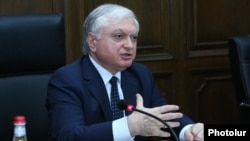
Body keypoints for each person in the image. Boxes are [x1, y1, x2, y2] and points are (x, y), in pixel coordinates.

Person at [46, 3, 204, 141]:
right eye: (119, 36)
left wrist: (188, 131)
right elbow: (68, 136)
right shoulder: (68, 80)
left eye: (133, 38)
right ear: (93, 42)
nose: (129, 45)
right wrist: (129, 127)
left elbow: (162, 115)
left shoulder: (139, 74)